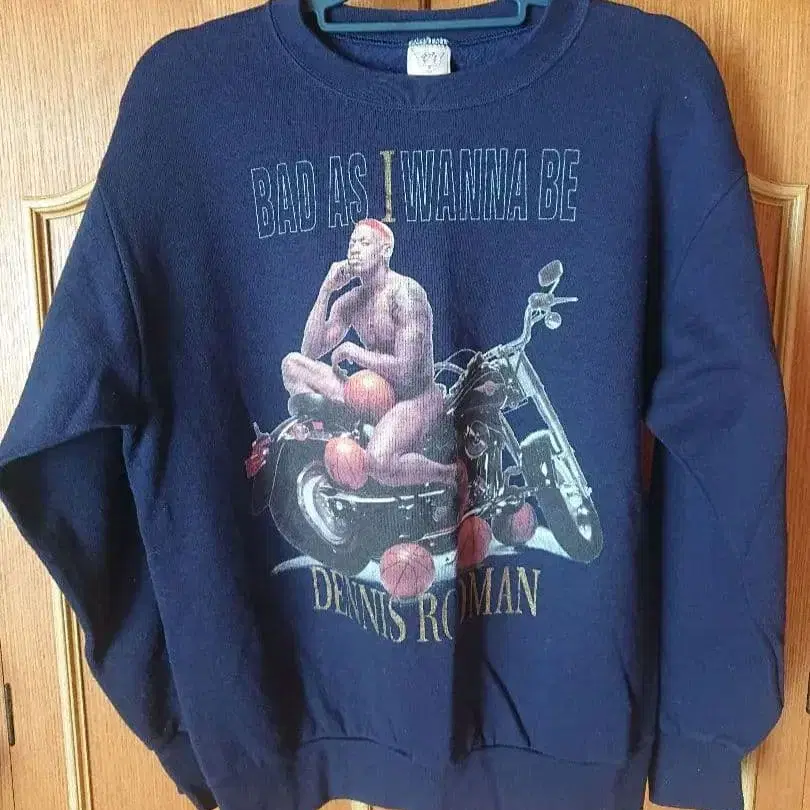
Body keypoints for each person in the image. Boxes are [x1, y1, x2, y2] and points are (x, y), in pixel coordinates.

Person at [281, 218, 458, 488]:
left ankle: (449, 474)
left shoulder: (405, 293)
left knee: (378, 462)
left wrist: (355, 353)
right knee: (293, 365)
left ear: (385, 251)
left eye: (364, 243)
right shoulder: (352, 300)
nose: (354, 249)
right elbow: (310, 350)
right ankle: (344, 436)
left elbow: (408, 371)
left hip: (414, 398)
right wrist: (326, 290)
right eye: (352, 243)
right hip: (373, 394)